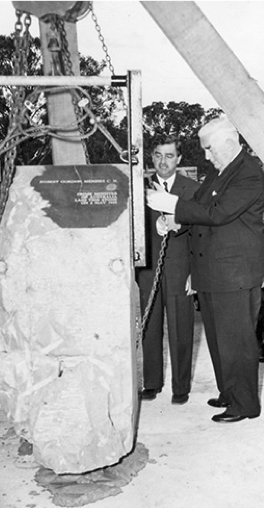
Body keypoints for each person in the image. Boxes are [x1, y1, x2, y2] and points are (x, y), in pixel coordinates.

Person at [147, 115, 264, 423]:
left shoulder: (249, 173)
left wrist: (172, 205)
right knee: (218, 339)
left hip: (235, 274)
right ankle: (229, 393)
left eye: (210, 149)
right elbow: (197, 206)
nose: (207, 156)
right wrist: (172, 221)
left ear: (228, 143)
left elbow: (218, 213)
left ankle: (246, 404)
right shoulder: (220, 170)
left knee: (238, 342)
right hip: (212, 271)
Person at [136, 135, 199, 405]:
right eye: (159, 155)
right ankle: (151, 382)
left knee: (181, 327)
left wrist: (194, 272)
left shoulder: (192, 189)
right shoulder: (140, 187)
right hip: (149, 269)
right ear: (152, 158)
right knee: (149, 325)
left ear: (179, 159)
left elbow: (200, 234)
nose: (164, 161)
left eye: (170, 156)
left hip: (180, 269)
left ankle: (181, 387)